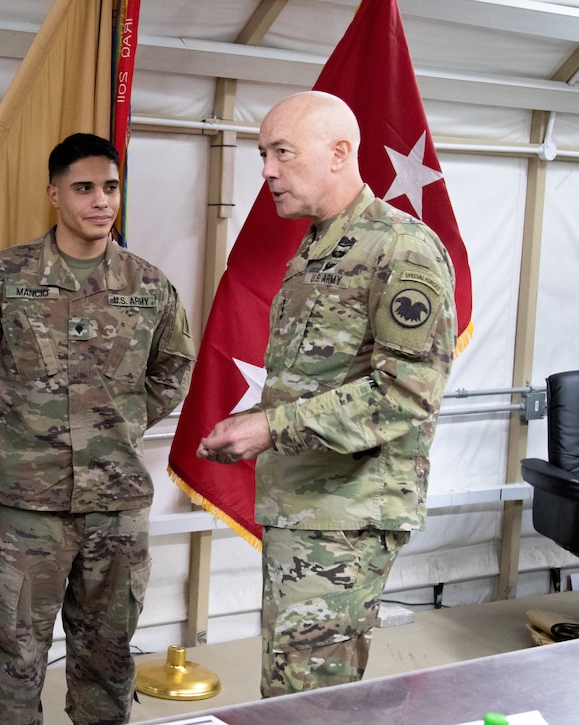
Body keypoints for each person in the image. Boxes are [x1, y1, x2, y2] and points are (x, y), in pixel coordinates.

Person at [195, 91, 457, 698]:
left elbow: (406, 392)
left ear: (340, 153)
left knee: (305, 699)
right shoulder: (319, 246)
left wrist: (269, 428)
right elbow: (320, 377)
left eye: (281, 152)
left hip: (347, 514)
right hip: (308, 505)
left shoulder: (399, 247)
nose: (266, 171)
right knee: (292, 688)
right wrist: (257, 420)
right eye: (264, 154)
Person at [0, 132, 195, 724]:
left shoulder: (149, 285)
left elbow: (174, 367)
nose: (101, 201)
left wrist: (117, 427)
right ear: (54, 194)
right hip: (30, 505)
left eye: (110, 187)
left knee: (108, 659)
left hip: (116, 504)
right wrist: (9, 424)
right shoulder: (2, 277)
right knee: (18, 659)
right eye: (84, 188)